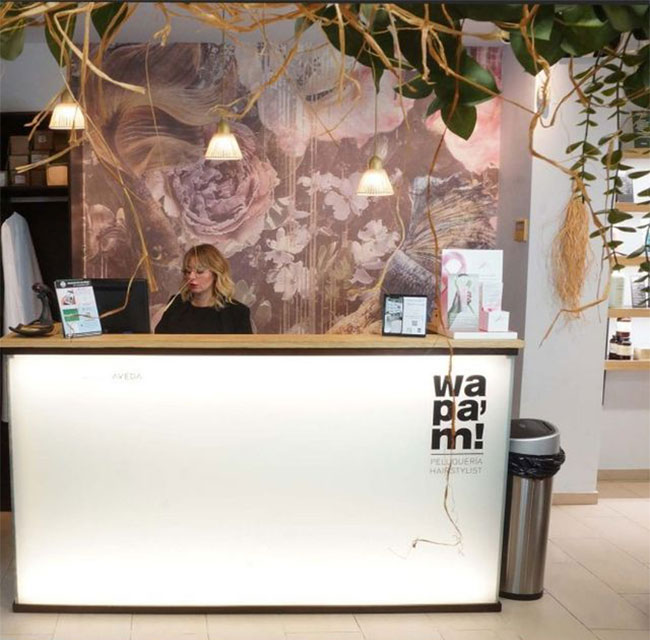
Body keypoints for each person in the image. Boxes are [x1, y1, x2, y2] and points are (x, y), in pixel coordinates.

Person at [155, 244, 252, 334]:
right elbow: (159, 341)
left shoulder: (238, 313)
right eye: (188, 271)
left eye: (199, 271)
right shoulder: (176, 305)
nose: (191, 277)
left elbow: (245, 347)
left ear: (215, 274)